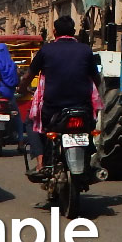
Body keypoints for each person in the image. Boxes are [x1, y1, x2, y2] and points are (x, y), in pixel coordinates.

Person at [19, 15, 101, 181]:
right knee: (90, 128)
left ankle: (41, 162)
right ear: (74, 31)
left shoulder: (46, 50)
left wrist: (21, 88)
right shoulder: (85, 50)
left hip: (53, 109)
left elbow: (28, 75)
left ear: (54, 31)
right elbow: (96, 79)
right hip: (83, 108)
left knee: (30, 122)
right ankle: (89, 158)